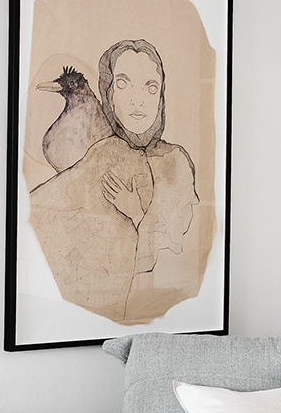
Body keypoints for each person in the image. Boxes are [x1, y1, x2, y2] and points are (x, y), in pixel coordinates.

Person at [30, 39, 199, 324]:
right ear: (107, 92)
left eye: (151, 87)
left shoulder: (176, 162)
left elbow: (184, 256)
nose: (138, 99)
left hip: (155, 310)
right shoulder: (101, 154)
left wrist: (137, 212)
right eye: (123, 84)